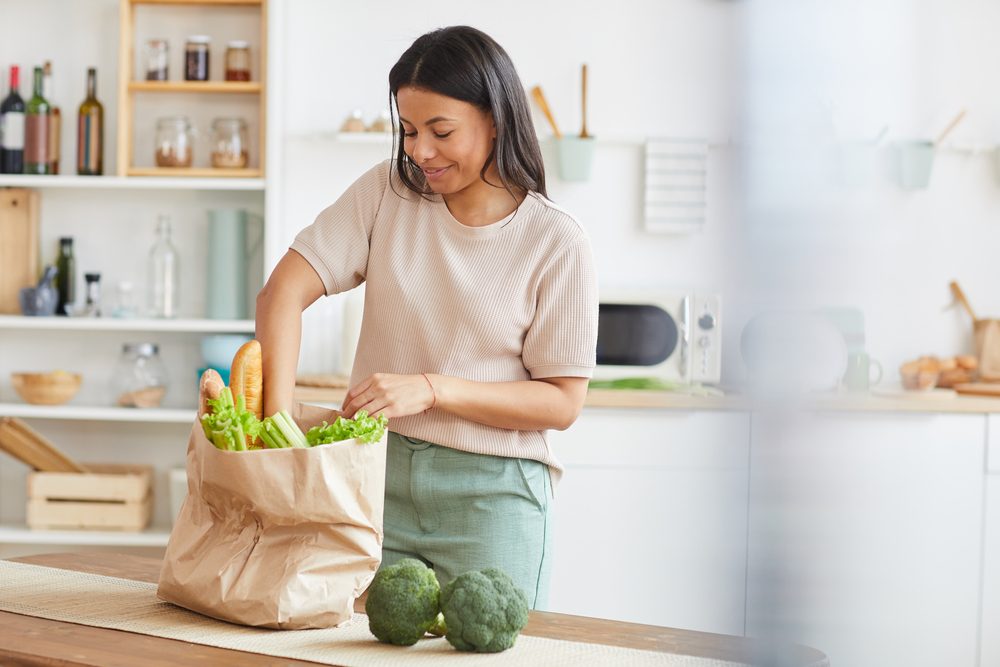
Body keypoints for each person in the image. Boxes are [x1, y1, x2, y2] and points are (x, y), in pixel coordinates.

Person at [255, 25, 597, 609]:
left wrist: (433, 390)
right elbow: (281, 293)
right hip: (373, 481)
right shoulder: (390, 193)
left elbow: (561, 402)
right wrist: (277, 426)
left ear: (495, 119)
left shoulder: (555, 241)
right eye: (409, 131)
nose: (420, 151)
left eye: (442, 131)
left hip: (494, 496)